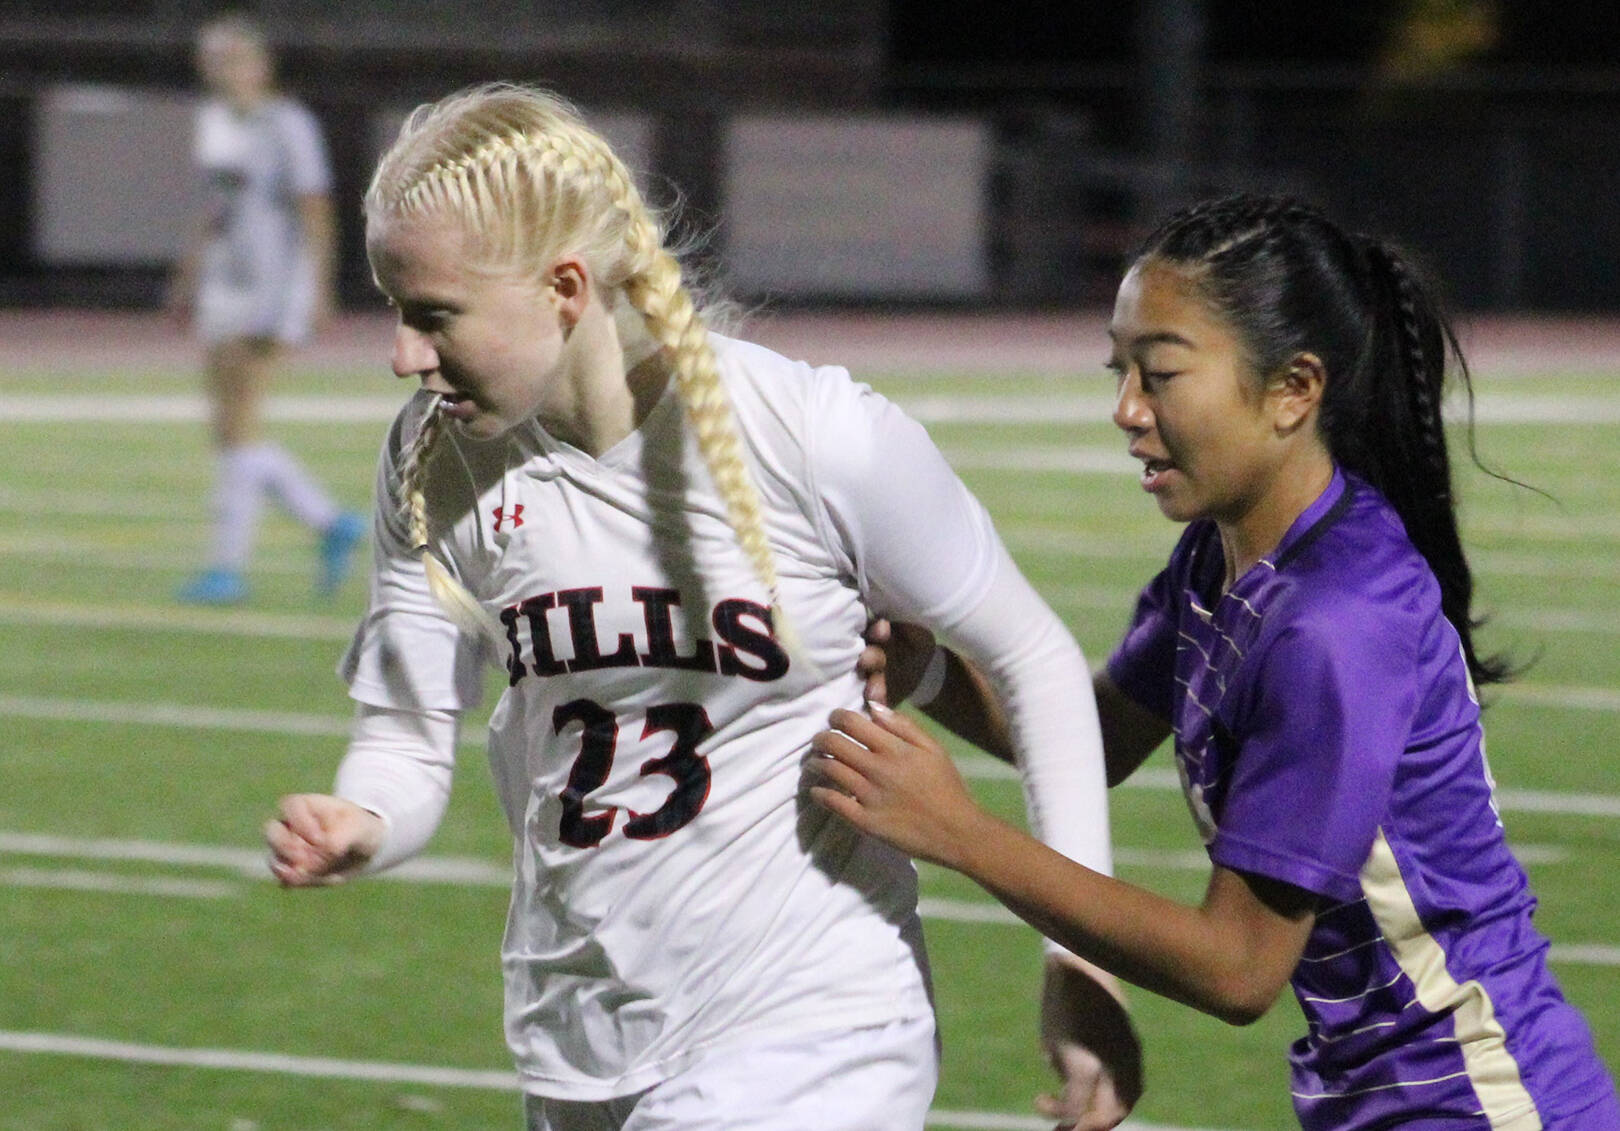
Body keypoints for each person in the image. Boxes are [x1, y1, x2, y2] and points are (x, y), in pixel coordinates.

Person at [262, 83, 1140, 1131]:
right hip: (576, 1030)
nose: (402, 355)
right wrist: (363, 821)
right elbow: (407, 740)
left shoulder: (813, 435)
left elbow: (1034, 658)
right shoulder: (432, 456)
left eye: (432, 315)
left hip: (813, 1022)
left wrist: (1080, 960)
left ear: (566, 287)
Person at [811, 194, 1620, 1130]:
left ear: (1293, 390)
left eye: (1159, 375)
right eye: (1121, 372)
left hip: (1475, 1102)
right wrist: (930, 674)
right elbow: (1100, 735)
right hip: (1381, 1095)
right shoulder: (1223, 557)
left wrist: (961, 833)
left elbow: (1238, 966)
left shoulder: (1337, 622)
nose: (1125, 410)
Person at [166, 13, 365, 605]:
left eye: (231, 57)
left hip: (273, 287)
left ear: (259, 64)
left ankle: (228, 569)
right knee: (228, 428)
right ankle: (330, 522)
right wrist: (188, 276)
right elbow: (216, 207)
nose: (220, 70)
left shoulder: (289, 124)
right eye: (212, 59)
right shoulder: (218, 123)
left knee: (241, 422)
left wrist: (322, 288)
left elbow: (315, 209)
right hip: (225, 287)